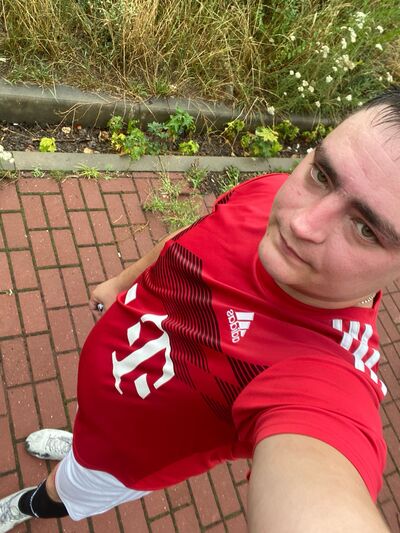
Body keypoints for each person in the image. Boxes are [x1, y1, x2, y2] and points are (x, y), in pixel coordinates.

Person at [2, 88, 399, 533]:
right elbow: (187, 238)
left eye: (366, 229)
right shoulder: (270, 192)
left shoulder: (325, 375)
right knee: (83, 442)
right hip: (102, 405)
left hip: (118, 461)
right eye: (322, 175)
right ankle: (77, 442)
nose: (301, 223)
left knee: (63, 490)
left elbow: (322, 479)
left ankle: (26, 504)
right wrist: (120, 284)